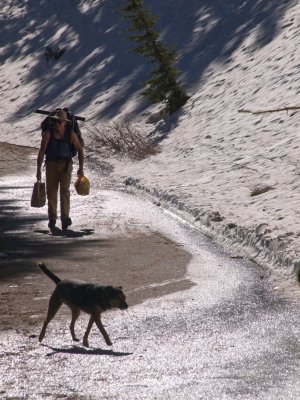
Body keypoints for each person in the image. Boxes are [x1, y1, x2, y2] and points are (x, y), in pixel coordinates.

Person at [36, 109, 84, 232]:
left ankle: (65, 218)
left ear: (65, 123)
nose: (57, 124)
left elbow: (80, 150)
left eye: (59, 122)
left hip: (66, 166)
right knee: (51, 193)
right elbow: (41, 151)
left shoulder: (71, 134)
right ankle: (52, 218)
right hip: (51, 165)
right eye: (55, 121)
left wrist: (81, 168)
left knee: (65, 191)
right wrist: (38, 170)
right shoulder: (48, 133)